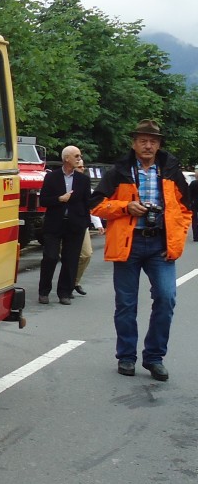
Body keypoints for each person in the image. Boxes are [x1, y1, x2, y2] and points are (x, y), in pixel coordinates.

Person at [90, 120, 192, 381]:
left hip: (160, 243)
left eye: (154, 141)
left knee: (166, 299)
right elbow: (96, 205)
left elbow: (185, 209)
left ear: (159, 144)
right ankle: (126, 356)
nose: (148, 145)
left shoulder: (170, 170)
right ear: (134, 143)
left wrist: (176, 238)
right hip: (129, 244)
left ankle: (154, 357)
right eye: (143, 140)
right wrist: (126, 207)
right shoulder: (119, 171)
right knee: (126, 304)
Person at [37, 145, 91, 305]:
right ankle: (44, 291)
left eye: (80, 156)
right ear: (66, 158)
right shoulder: (52, 177)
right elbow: (44, 200)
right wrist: (59, 199)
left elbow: (87, 202)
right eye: (76, 156)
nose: (79, 159)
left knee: (71, 259)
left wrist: (85, 222)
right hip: (55, 223)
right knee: (50, 257)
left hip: (75, 224)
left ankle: (64, 293)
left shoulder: (83, 179)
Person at [72, 155, 97, 294]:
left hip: (82, 224)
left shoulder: (85, 182)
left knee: (86, 254)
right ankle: (66, 284)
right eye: (79, 167)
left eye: (83, 167)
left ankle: (75, 281)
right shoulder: (64, 181)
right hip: (65, 224)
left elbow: (91, 205)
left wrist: (98, 224)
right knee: (67, 256)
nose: (82, 169)